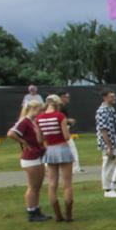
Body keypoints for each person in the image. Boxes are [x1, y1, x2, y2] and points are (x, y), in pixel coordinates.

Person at [8, 98, 51, 222]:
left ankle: (36, 209)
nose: (41, 112)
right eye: (40, 110)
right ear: (33, 109)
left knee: (37, 186)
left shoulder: (32, 122)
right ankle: (31, 212)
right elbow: (11, 133)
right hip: (30, 158)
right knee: (33, 186)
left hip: (37, 156)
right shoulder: (25, 121)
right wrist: (24, 142)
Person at [37, 95, 75, 223]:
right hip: (63, 149)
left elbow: (40, 139)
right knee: (67, 184)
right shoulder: (60, 116)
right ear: (58, 104)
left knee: (52, 184)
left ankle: (58, 215)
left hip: (50, 150)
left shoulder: (39, 118)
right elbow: (66, 136)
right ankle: (68, 215)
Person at [95, 89, 116, 199]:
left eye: (114, 96)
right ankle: (107, 189)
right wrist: (108, 146)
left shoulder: (111, 109)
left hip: (115, 140)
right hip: (108, 142)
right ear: (105, 97)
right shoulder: (102, 111)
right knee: (108, 165)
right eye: (111, 96)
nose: (114, 98)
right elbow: (103, 129)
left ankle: (114, 184)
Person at [58, 91, 83, 174]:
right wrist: (68, 120)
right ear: (61, 97)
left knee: (59, 149)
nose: (68, 99)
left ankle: (48, 167)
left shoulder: (62, 107)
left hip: (63, 129)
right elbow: (58, 118)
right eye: (66, 97)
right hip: (62, 130)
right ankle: (75, 168)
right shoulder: (59, 107)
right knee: (71, 148)